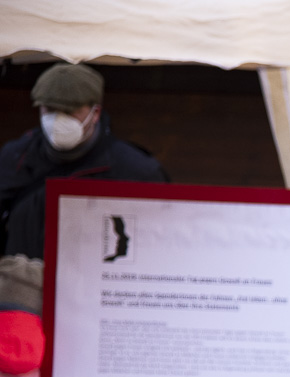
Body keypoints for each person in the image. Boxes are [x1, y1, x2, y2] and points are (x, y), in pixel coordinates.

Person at [0, 63, 168, 260]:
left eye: (69, 112)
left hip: (95, 284)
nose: (57, 120)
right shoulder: (15, 157)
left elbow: (158, 237)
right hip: (23, 283)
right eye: (49, 110)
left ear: (95, 113)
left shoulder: (134, 169)